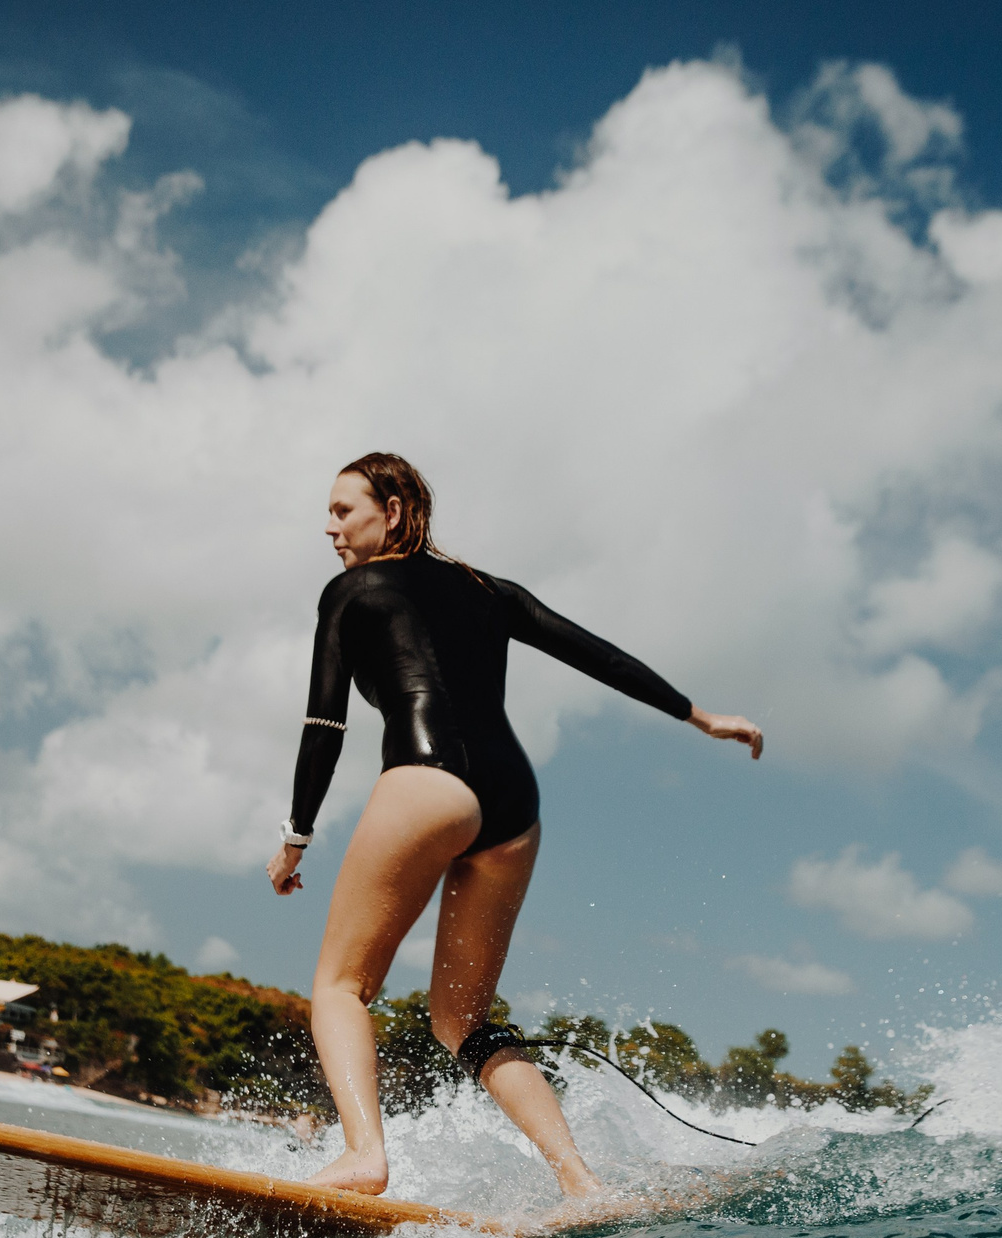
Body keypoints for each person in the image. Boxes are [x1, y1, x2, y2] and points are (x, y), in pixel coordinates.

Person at [267, 452, 762, 1198]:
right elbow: (594, 653)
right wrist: (701, 717)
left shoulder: (351, 590)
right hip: (512, 805)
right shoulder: (487, 589)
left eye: (344, 509)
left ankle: (364, 1154)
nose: (328, 525)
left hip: (426, 782)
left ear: (393, 510)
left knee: (340, 986)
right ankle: (580, 1182)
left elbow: (324, 720)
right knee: (462, 1020)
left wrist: (295, 834)